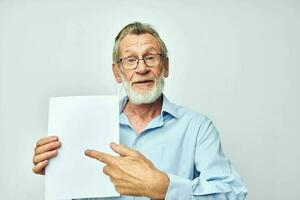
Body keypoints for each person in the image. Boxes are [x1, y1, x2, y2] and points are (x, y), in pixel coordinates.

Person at [32, 22, 247, 200]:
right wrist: (58, 170)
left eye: (150, 57)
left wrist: (164, 188)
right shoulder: (88, 123)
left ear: (166, 66)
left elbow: (233, 193)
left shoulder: (198, 128)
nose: (142, 68)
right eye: (131, 60)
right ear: (117, 72)